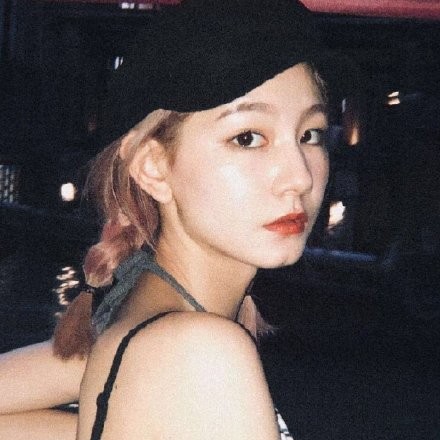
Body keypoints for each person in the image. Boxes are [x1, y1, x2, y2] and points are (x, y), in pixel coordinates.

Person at [0, 0, 330, 438]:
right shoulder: (201, 351)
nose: (300, 177)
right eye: (248, 137)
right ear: (154, 168)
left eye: (310, 134)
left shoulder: (134, 336)